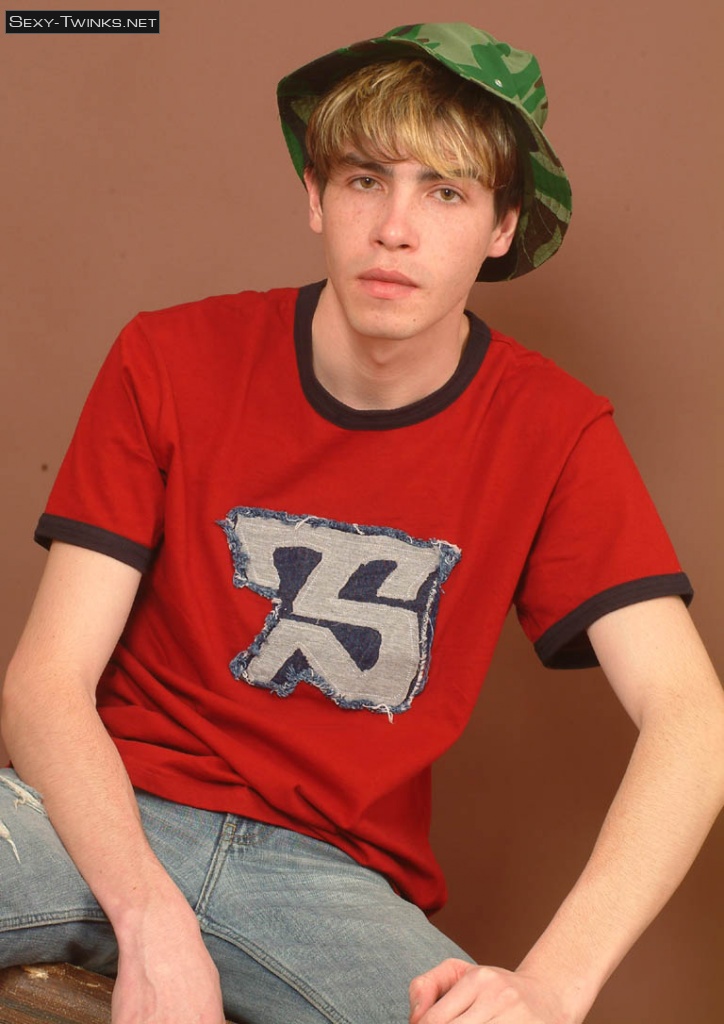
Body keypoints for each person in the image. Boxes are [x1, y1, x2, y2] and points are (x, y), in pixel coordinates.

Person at [1, 21, 722, 1024]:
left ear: (503, 226)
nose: (395, 228)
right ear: (315, 196)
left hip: (324, 879)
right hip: (99, 813)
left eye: (446, 192)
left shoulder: (552, 431)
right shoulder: (170, 358)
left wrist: (553, 982)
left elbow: (693, 717)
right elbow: (45, 682)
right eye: (364, 181)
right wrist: (149, 917)